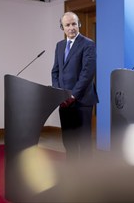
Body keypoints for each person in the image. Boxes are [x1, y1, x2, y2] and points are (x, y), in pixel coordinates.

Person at [51, 11, 99, 160]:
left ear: (79, 25)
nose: (71, 27)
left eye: (74, 24)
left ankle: (85, 177)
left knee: (83, 142)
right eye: (67, 25)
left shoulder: (88, 44)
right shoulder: (59, 46)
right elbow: (55, 71)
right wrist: (60, 93)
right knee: (69, 141)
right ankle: (72, 173)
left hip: (82, 100)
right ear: (62, 27)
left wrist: (73, 95)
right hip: (64, 102)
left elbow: (87, 73)